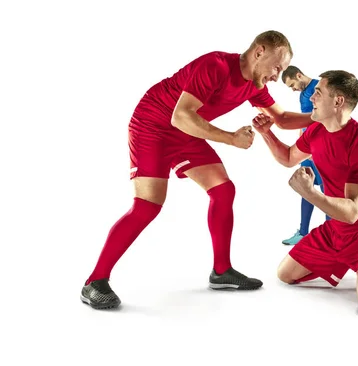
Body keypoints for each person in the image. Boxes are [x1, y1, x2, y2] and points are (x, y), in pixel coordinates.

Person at [81, 30, 313, 310]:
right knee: (147, 206)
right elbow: (180, 114)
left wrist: (321, 117)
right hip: (153, 124)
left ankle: (222, 271)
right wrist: (230, 138)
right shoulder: (215, 66)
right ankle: (95, 281)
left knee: (223, 190)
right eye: (277, 67)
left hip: (184, 131)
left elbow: (283, 118)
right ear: (259, 52)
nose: (277, 76)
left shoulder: (254, 85)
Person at [252, 70, 358, 313]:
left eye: (318, 93)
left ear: (338, 101)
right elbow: (290, 157)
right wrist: (266, 133)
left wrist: (311, 194)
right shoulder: (316, 131)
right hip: (337, 227)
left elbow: (353, 211)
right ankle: (353, 263)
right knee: (285, 274)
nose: (311, 98)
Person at [280, 66, 330, 245]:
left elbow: (328, 119)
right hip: (308, 149)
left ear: (299, 75)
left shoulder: (320, 88)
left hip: (323, 149)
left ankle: (331, 234)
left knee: (327, 191)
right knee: (305, 187)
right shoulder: (302, 95)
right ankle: (302, 233)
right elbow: (303, 124)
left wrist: (320, 149)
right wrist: (300, 148)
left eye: (292, 84)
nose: (293, 89)